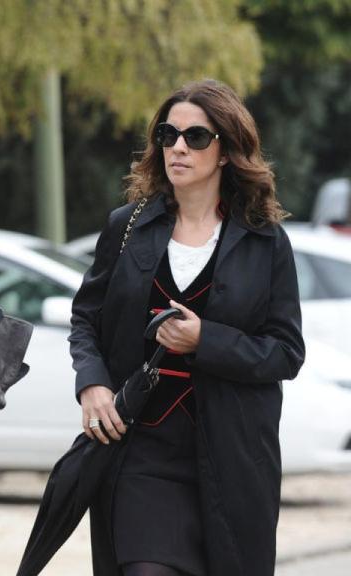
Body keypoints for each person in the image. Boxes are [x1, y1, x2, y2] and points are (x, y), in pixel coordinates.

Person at [69, 79, 305, 575]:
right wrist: (92, 384)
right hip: (140, 452)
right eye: (167, 134)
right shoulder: (127, 226)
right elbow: (86, 317)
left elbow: (286, 352)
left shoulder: (265, 242)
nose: (178, 147)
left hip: (232, 458)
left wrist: (205, 340)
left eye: (195, 137)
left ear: (226, 152)